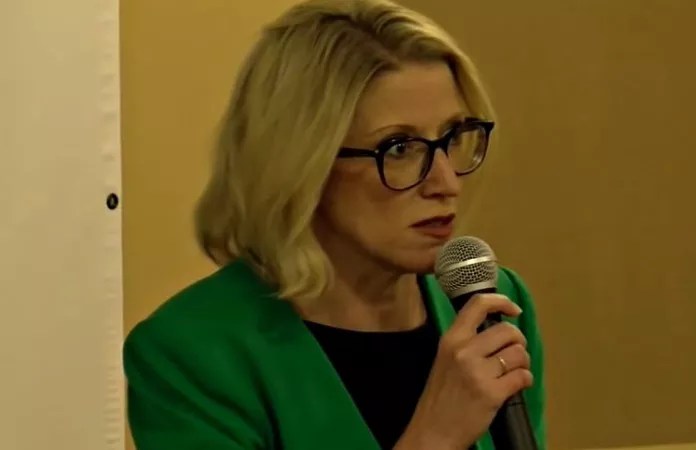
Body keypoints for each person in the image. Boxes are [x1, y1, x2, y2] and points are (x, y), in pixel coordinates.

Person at [123, 0, 546, 449]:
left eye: (453, 136)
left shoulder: (492, 304)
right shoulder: (191, 353)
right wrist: (436, 436)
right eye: (399, 148)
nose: (445, 182)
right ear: (300, 164)